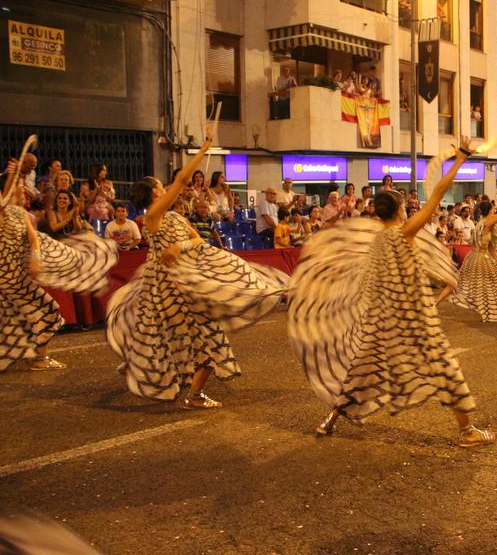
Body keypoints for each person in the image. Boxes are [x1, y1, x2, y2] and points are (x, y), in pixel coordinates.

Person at [289, 138, 495, 447]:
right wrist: (462, 158)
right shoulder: (403, 232)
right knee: (447, 369)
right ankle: (468, 432)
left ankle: (329, 420)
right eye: (404, 204)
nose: (408, 207)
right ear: (399, 210)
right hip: (412, 321)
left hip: (383, 321)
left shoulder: (378, 241)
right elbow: (437, 193)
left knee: (361, 372)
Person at [106, 127, 288, 407]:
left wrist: (182, 247)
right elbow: (180, 180)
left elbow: (194, 238)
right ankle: (193, 394)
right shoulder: (153, 215)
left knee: (200, 338)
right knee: (192, 340)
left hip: (188, 282)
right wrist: (205, 148)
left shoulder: (175, 216)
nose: (164, 186)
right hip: (168, 289)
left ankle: (188, 388)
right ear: (155, 191)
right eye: (159, 184)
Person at [1, 157, 117, 372]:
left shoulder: (19, 213)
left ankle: (35, 356)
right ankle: (37, 358)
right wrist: (13, 176)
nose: (22, 190)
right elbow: (4, 201)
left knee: (30, 315)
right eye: (18, 188)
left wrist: (36, 256)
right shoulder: (3, 212)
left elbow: (34, 238)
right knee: (49, 312)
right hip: (7, 278)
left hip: (18, 276)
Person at [451, 183, 497, 322]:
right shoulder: (487, 223)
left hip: (477, 257)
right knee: (494, 284)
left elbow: (490, 248)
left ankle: (494, 311)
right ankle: (494, 312)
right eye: (493, 209)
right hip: (480, 258)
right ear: (489, 211)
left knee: (493, 283)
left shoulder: (482, 223)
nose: (494, 211)